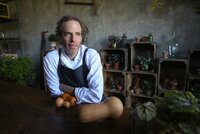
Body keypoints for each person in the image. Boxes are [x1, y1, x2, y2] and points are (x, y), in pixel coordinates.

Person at [43, 15, 123, 123]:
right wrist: (81, 95)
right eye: (68, 34)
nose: (73, 39)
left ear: (82, 37)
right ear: (60, 37)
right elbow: (55, 92)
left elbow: (95, 96)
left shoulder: (91, 55)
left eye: (78, 34)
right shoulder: (51, 58)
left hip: (94, 110)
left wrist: (67, 88)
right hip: (66, 108)